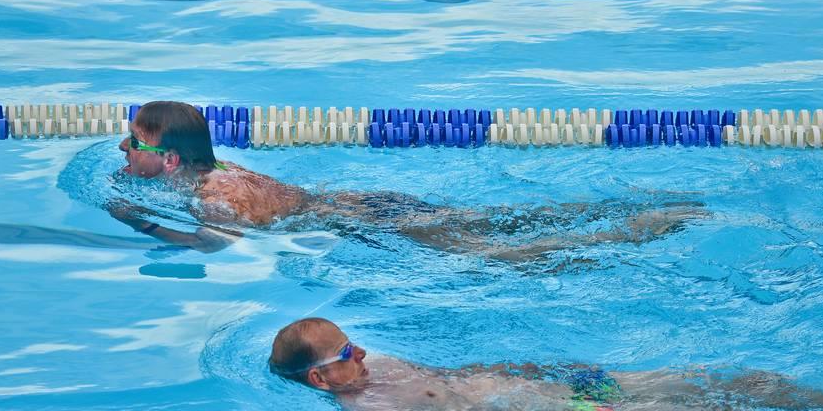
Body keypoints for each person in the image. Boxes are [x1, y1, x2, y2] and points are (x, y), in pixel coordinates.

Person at [109, 100, 705, 260]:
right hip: (369, 204)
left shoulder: (212, 193)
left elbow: (222, 242)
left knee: (508, 253)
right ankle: (637, 214)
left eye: (136, 143)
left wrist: (144, 223)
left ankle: (632, 233)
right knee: (496, 227)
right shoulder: (220, 168)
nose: (122, 148)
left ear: (169, 162)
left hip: (360, 222)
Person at [267, 317, 823, 411]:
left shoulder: (380, 368)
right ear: (322, 377)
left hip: (579, 386)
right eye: (349, 350)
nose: (365, 350)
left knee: (750, 382)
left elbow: (465, 377)